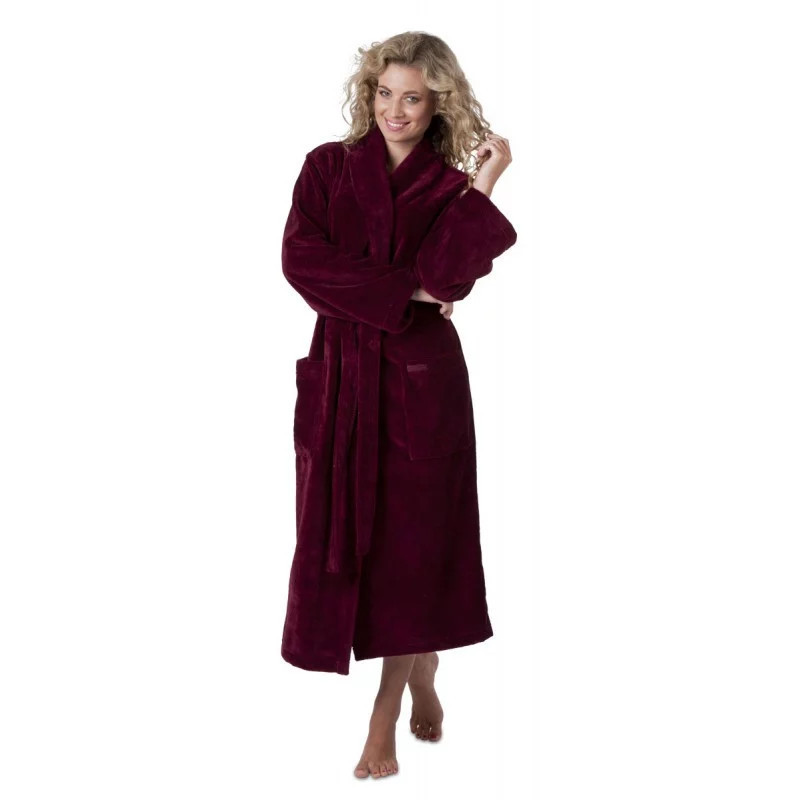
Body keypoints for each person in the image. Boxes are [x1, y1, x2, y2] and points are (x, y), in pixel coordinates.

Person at [279, 31, 518, 779]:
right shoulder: (327, 168)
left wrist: (485, 184)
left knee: (416, 552)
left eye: (412, 98)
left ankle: (383, 713)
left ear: (436, 103)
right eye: (385, 93)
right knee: (359, 546)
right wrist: (402, 289)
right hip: (342, 379)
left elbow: (447, 280)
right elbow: (300, 260)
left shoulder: (448, 186)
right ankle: (422, 668)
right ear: (369, 92)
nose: (396, 110)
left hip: (422, 385)